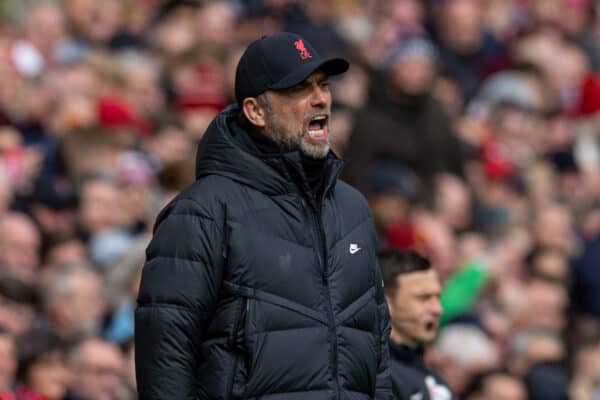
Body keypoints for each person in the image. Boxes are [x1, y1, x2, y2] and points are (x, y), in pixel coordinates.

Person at [135, 32, 392, 400]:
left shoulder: (353, 209)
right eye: (299, 89)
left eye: (323, 85)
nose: (320, 98)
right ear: (256, 111)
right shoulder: (203, 212)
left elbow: (378, 349)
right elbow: (165, 358)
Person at [379, 249, 454, 400]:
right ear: (386, 303)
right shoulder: (375, 378)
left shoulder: (431, 374)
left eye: (437, 297)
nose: (438, 309)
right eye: (424, 298)